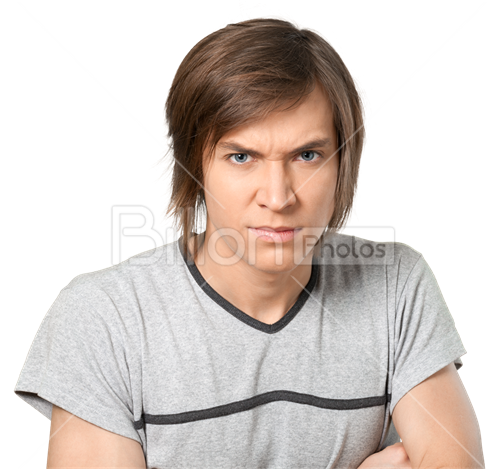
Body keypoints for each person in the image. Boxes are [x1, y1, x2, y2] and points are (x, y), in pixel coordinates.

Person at [14, 9, 484, 469]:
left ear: (344, 163)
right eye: (242, 157)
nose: (278, 197)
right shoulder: (103, 318)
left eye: (307, 155)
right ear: (194, 169)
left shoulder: (396, 284)